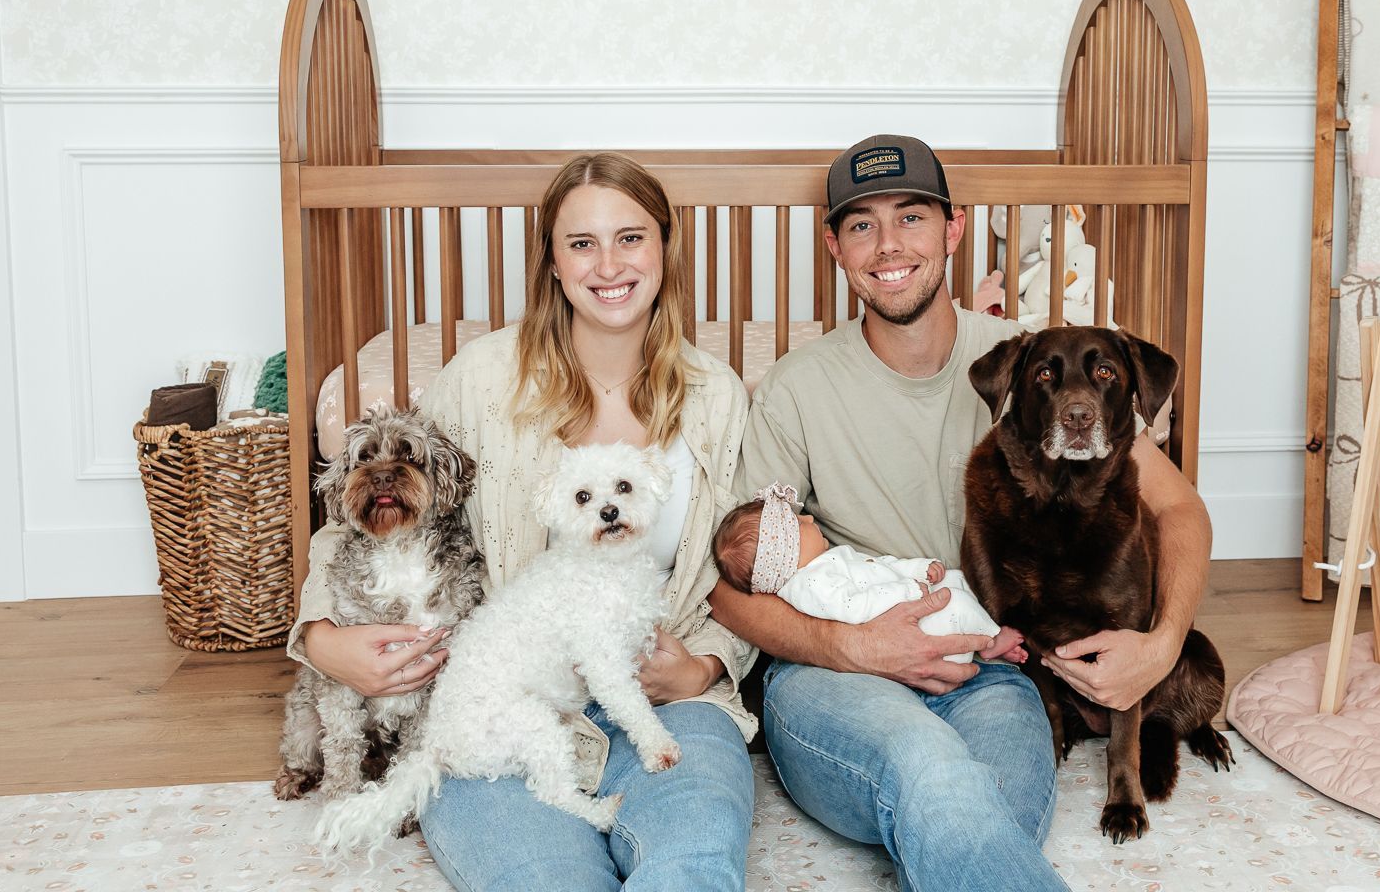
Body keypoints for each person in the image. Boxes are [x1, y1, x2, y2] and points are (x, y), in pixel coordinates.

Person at [708, 134, 1214, 892]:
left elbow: (1181, 512)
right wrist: (849, 647)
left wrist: (1164, 643)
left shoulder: (1032, 365)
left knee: (983, 808)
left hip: (995, 674)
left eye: (911, 217)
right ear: (835, 248)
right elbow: (729, 586)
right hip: (832, 674)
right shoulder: (796, 389)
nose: (888, 245)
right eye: (861, 225)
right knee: (932, 773)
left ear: (954, 228)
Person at [288, 153, 757, 891]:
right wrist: (325, 639)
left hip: (670, 700)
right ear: (553, 264)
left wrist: (703, 667)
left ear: (665, 246)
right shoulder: (480, 379)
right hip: (498, 705)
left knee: (693, 866)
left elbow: (754, 566)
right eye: (582, 243)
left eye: (631, 237)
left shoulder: (718, 397)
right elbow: (361, 520)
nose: (609, 265)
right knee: (545, 880)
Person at [713, 483, 1028, 665]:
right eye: (798, 525)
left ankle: (990, 623)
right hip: (912, 631)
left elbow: (880, 567)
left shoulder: (826, 562)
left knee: (957, 579)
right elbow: (856, 608)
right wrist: (909, 590)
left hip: (913, 601)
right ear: (786, 557)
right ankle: (989, 642)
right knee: (956, 602)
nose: (808, 519)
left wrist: (920, 570)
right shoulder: (810, 585)